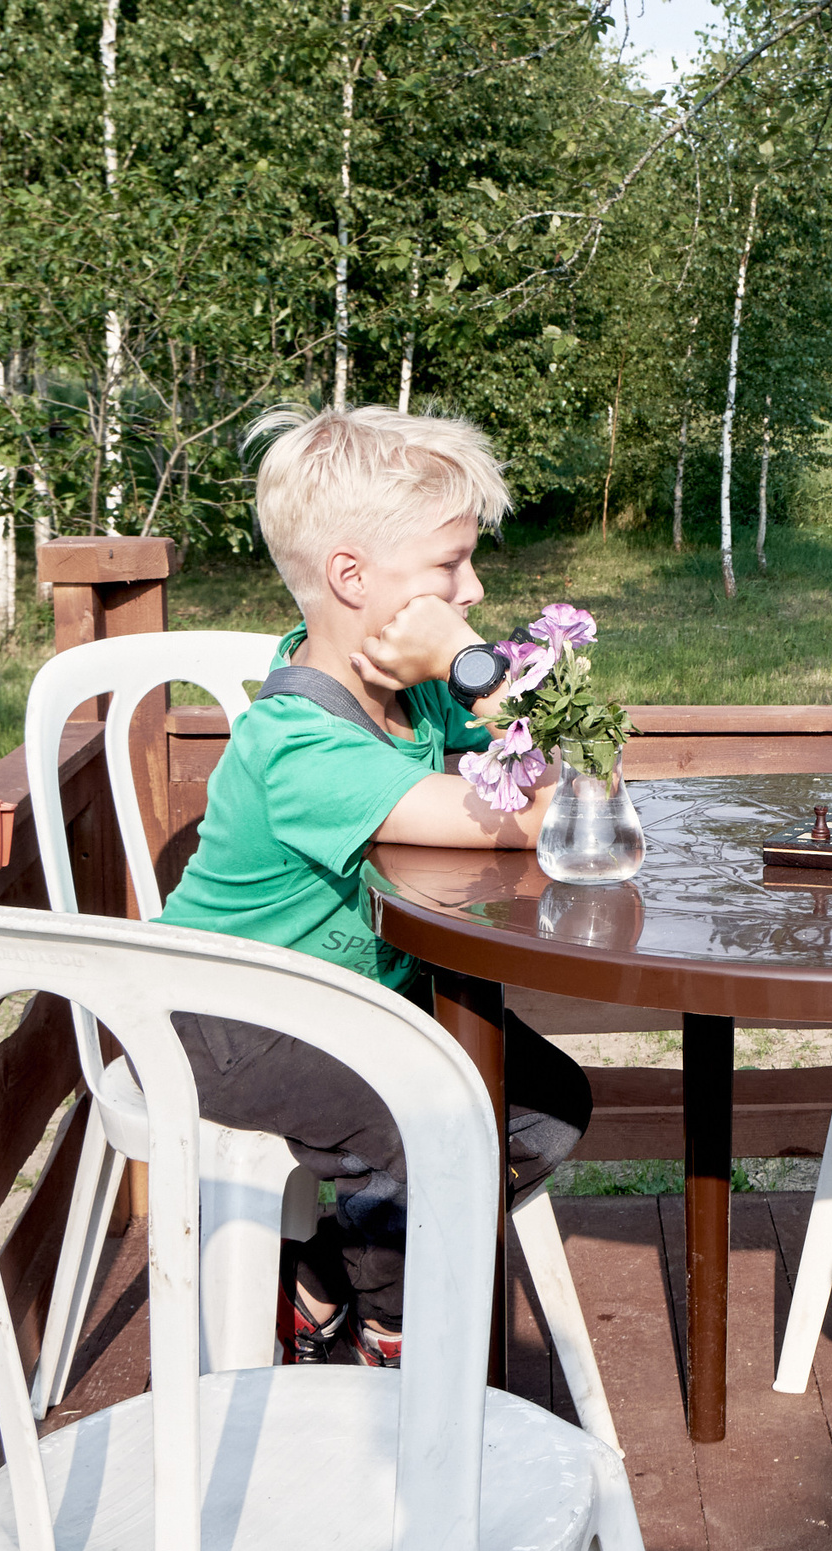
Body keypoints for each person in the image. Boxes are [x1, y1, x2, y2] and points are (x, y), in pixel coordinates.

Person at [157, 404, 592, 1366]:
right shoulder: (301, 744)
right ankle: (388, 1331)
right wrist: (479, 668)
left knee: (546, 1104)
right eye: (449, 566)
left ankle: (320, 1276)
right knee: (423, 1124)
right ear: (351, 577)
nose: (473, 588)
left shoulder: (413, 693)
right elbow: (533, 816)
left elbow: (574, 771)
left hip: (347, 1004)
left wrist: (471, 686)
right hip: (221, 1018)